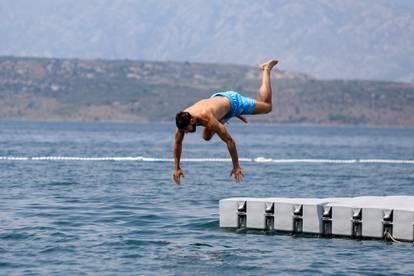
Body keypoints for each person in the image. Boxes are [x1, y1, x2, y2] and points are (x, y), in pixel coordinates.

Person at [173, 59, 278, 184]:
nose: (187, 133)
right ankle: (223, 118)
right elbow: (178, 143)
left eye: (187, 130)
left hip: (233, 102)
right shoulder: (182, 121)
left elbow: (229, 141)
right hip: (217, 102)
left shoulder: (207, 118)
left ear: (191, 120)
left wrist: (236, 166)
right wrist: (176, 167)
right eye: (184, 131)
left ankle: (266, 69)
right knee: (206, 137)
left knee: (267, 106)